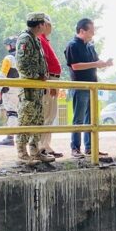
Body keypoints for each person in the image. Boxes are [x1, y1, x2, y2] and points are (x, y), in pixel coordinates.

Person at [64, 18, 112, 159]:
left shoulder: (90, 46)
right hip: (80, 86)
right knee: (78, 118)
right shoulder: (72, 45)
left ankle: (90, 147)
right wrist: (95, 64)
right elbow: (75, 66)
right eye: (91, 31)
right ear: (82, 31)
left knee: (92, 119)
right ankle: (75, 148)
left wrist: (104, 64)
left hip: (92, 86)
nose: (93, 33)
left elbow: (95, 63)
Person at [15, 12, 54, 165]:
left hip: (36, 88)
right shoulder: (25, 39)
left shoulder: (35, 39)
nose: (46, 26)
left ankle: (34, 150)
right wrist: (38, 76)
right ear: (40, 25)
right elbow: (22, 65)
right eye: (45, 24)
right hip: (28, 88)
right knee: (26, 119)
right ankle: (22, 153)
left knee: (37, 119)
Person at [38, 17, 63, 158]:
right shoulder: (40, 40)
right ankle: (42, 146)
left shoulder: (45, 40)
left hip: (53, 78)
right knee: (47, 114)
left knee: (51, 114)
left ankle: (46, 145)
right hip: (50, 78)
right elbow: (44, 62)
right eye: (49, 25)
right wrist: (50, 83)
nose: (51, 27)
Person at [0, 36, 20, 146]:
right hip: (20, 89)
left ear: (11, 45)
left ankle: (10, 137)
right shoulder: (22, 58)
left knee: (11, 112)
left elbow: (2, 74)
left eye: (7, 45)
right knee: (17, 112)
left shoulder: (9, 58)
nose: (6, 47)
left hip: (9, 89)